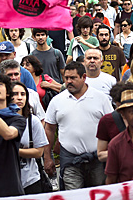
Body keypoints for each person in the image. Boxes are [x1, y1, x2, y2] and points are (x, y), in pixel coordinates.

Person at [44, 62, 113, 190]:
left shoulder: (101, 98)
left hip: (97, 160)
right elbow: (49, 129)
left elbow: (111, 127)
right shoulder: (57, 101)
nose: (68, 81)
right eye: (66, 78)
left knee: (98, 194)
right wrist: (47, 157)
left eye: (73, 78)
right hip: (70, 160)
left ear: (84, 77)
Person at [12, 82, 51, 194]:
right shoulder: (0, 121)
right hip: (7, 180)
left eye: (23, 94)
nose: (20, 98)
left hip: (30, 180)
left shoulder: (32, 121)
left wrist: (15, 151)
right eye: (15, 94)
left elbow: (39, 151)